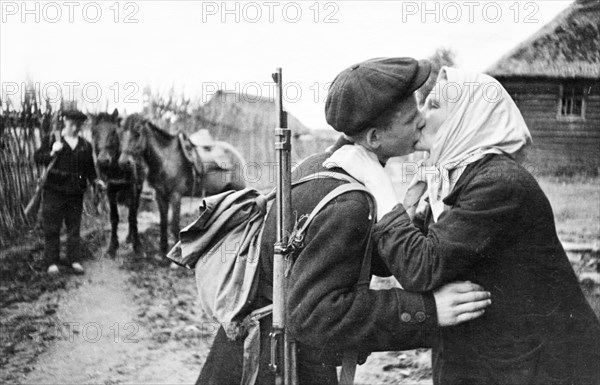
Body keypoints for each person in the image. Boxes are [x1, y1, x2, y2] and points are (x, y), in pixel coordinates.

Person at [197, 58, 492, 385]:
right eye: (411, 119)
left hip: (253, 350)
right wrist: (428, 309)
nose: (423, 122)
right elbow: (317, 316)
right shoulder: (347, 201)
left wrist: (410, 218)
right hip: (272, 364)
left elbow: (357, 257)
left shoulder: (322, 165)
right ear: (375, 137)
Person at [326, 67, 600, 384]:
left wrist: (378, 182)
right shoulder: (453, 179)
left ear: (469, 118)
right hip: (487, 359)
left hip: (540, 368)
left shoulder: (499, 184)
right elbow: (404, 261)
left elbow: (420, 268)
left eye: (434, 105)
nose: (420, 116)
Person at [34, 109, 105, 275]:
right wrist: (52, 152)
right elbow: (37, 158)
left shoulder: (84, 145)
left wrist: (96, 181)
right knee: (53, 227)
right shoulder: (52, 139)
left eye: (78, 124)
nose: (75, 127)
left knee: (74, 228)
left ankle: (74, 260)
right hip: (54, 190)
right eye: (72, 123)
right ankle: (51, 261)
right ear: (65, 121)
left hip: (75, 192)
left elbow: (89, 169)